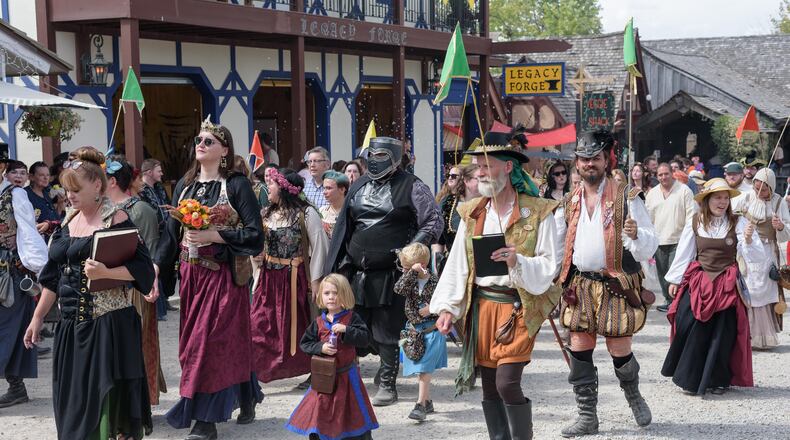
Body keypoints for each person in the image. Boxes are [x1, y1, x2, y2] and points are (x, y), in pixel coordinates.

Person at [430, 130, 560, 439]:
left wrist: (518, 261)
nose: (479, 172)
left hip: (518, 308)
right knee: (489, 386)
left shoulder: (538, 212)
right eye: (477, 167)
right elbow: (457, 264)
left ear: (508, 167)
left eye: (487, 165)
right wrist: (447, 308)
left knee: (506, 383)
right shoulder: (472, 212)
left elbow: (549, 266)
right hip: (482, 306)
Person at [23, 147, 154, 439]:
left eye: (75, 189)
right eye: (66, 189)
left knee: (101, 413)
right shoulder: (68, 222)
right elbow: (52, 279)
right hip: (70, 329)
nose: (69, 195)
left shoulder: (116, 220)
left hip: (107, 329)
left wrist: (106, 272)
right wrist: (37, 318)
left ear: (97, 185)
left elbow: (144, 271)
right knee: (71, 409)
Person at [154, 119, 264, 439]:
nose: (200, 145)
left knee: (211, 344)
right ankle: (246, 394)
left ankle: (205, 419)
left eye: (208, 141)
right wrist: (158, 268)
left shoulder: (237, 185)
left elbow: (255, 235)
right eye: (198, 140)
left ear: (224, 150)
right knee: (200, 345)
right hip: (191, 277)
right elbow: (171, 236)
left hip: (223, 278)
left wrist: (216, 234)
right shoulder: (185, 186)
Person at [325, 137, 443, 407]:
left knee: (387, 329)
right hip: (357, 270)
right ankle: (351, 378)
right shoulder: (359, 185)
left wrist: (413, 248)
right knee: (354, 324)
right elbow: (348, 225)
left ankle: (388, 383)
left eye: (382, 155)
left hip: (391, 271)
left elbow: (433, 220)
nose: (375, 160)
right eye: (372, 155)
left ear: (395, 157)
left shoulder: (413, 186)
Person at [557, 130, 658, 437]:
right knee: (579, 347)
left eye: (595, 159)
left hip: (616, 282)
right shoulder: (568, 201)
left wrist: (636, 233)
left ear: (606, 160)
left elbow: (650, 244)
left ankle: (633, 395)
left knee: (619, 347)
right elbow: (560, 246)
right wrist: (550, 281)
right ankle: (587, 416)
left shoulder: (628, 197)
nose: (589, 164)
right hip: (580, 284)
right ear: (577, 163)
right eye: (584, 159)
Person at [661, 178, 761, 394]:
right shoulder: (695, 221)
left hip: (727, 283)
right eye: (718, 197)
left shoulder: (740, 223)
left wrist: (750, 240)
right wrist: (675, 280)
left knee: (723, 332)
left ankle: (717, 380)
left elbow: (754, 256)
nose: (722, 202)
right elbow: (685, 252)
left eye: (726, 198)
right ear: (707, 200)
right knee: (689, 323)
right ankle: (691, 377)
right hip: (700, 281)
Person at [251, 167, 329, 385]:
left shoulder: (306, 213)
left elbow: (320, 247)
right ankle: (257, 370)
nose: (269, 188)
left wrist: (315, 281)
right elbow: (258, 246)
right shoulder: (266, 213)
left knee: (300, 326)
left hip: (294, 279)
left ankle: (314, 368)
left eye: (273, 184)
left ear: (284, 188)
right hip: (268, 279)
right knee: (259, 324)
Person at [105, 155, 167, 406]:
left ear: (110, 181)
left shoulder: (140, 210)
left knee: (137, 347)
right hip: (105, 289)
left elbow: (151, 255)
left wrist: (149, 284)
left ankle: (140, 403)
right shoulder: (101, 210)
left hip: (134, 290)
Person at [284, 274, 378, 440]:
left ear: (345, 295)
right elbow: (305, 344)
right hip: (324, 379)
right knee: (320, 412)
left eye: (335, 293)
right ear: (321, 296)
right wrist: (321, 347)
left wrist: (347, 330)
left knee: (352, 413)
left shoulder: (352, 318)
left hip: (347, 377)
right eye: (327, 293)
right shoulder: (318, 322)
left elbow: (365, 339)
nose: (331, 297)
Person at [0, 160, 48, 408]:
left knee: (10, 328)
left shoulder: (15, 195)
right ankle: (16, 387)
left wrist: (39, 267)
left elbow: (28, 231)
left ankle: (16, 386)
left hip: (9, 272)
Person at [733, 168, 788, 349]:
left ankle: (761, 336)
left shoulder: (779, 202)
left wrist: (780, 226)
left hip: (768, 252)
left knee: (765, 291)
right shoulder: (747, 197)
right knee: (748, 289)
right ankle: (744, 335)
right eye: (757, 188)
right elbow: (728, 209)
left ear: (771, 188)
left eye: (763, 190)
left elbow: (787, 228)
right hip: (747, 250)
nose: (759, 193)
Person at [395, 243, 446, 422]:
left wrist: (432, 308)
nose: (404, 271)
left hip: (431, 331)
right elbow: (399, 289)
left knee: (424, 369)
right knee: (420, 370)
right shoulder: (409, 280)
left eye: (407, 268)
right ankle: (428, 400)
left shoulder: (434, 281)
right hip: (414, 332)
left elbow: (445, 301)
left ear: (422, 265)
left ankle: (420, 405)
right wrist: (411, 273)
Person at [645, 163, 696, 312]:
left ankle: (677, 302)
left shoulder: (684, 191)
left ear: (672, 173)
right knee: (662, 273)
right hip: (659, 240)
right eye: (660, 175)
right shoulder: (652, 194)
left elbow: (691, 214)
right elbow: (648, 218)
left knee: (675, 272)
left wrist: (689, 237)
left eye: (666, 174)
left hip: (679, 239)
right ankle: (668, 300)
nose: (663, 177)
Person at [434, 164, 480, 269]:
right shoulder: (447, 203)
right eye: (448, 175)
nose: (450, 178)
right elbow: (439, 240)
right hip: (452, 264)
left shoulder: (485, 202)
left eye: (454, 176)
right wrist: (437, 263)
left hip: (477, 263)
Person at [25, 161, 60, 240]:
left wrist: (60, 204)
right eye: (41, 175)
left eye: (47, 175)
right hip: (37, 239)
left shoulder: (48, 193)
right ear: (31, 177)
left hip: (54, 238)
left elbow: (56, 217)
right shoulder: (25, 194)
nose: (46, 178)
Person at [319, 170, 349, 238]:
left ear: (342, 189)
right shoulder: (321, 212)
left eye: (328, 188)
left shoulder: (351, 211)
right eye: (324, 188)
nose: (324, 192)